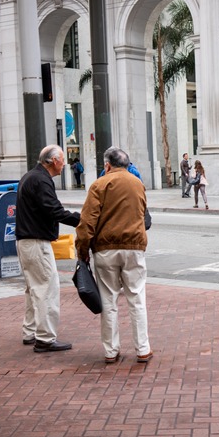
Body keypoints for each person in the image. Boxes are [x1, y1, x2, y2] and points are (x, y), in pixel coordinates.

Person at [75, 147, 152, 364]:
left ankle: (111, 351)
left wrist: (82, 251)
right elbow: (143, 215)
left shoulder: (99, 185)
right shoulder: (138, 184)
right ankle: (143, 349)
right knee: (136, 298)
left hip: (105, 249)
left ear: (107, 165)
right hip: (134, 247)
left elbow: (87, 223)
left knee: (109, 300)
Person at [16, 145, 81, 353]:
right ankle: (44, 338)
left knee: (33, 289)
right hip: (36, 243)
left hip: (26, 242)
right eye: (63, 160)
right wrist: (81, 220)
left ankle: (31, 331)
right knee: (47, 288)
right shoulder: (42, 180)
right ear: (54, 161)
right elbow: (54, 210)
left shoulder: (30, 176)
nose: (65, 164)